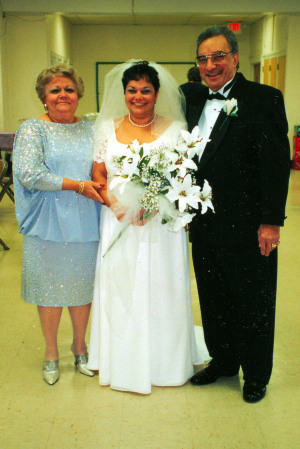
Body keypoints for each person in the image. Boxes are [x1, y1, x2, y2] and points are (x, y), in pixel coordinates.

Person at [186, 26, 290, 403]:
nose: (210, 65)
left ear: (235, 58)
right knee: (213, 297)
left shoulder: (264, 99)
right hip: (203, 222)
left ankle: (256, 373)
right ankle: (224, 361)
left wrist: (270, 221)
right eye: (203, 59)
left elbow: (277, 164)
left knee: (255, 300)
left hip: (249, 226)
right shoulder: (191, 98)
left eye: (218, 57)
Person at [87, 60, 205, 394]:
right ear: (124, 93)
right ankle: (121, 359)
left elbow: (182, 175)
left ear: (157, 94)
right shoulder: (106, 128)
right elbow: (98, 175)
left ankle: (165, 362)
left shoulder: (174, 127)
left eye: (146, 91)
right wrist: (117, 205)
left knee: (160, 286)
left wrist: (154, 204)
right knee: (121, 288)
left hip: (159, 223)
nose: (138, 97)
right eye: (132, 90)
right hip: (117, 219)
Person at [13, 64, 104, 385]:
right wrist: (77, 185)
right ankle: (51, 352)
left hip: (85, 220)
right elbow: (29, 174)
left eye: (68, 89)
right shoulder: (32, 130)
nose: (62, 95)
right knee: (49, 288)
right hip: (47, 221)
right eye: (55, 90)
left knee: (81, 287)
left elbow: (103, 167)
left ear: (78, 94)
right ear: (44, 97)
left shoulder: (92, 128)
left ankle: (80, 347)